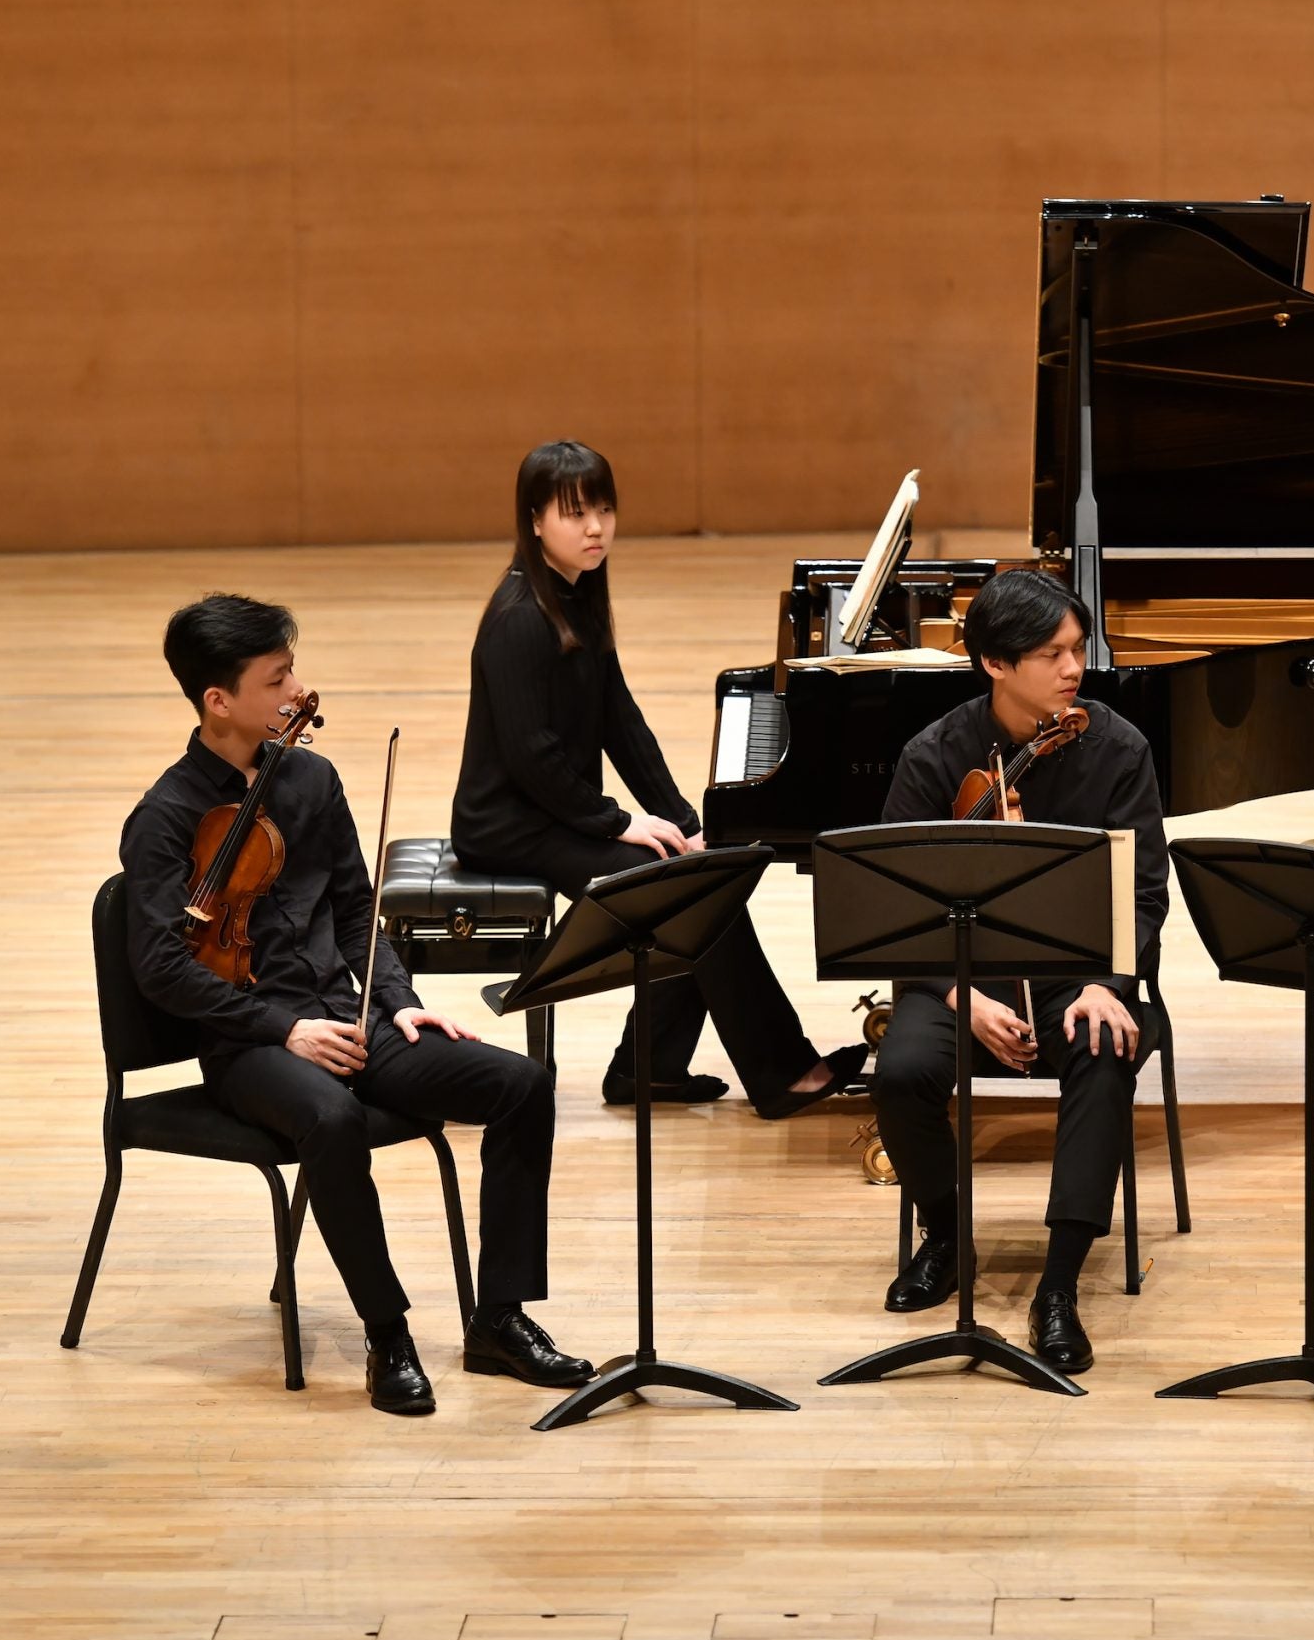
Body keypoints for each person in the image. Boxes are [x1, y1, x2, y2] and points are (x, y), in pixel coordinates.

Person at [121, 595, 590, 1417]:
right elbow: (162, 966)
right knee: (331, 1118)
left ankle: (500, 1317)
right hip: (252, 1042)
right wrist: (284, 1028)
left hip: (354, 1017)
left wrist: (399, 1001)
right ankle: (388, 1333)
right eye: (277, 678)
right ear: (218, 701)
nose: (297, 690)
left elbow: (353, 911)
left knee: (523, 1084)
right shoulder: (164, 818)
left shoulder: (309, 778)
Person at [451, 440, 863, 1118]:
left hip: (553, 813)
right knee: (688, 894)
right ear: (533, 520)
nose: (595, 528)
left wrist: (685, 818)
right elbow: (534, 760)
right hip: (509, 826)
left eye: (605, 510)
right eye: (575, 513)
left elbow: (623, 724)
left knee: (702, 871)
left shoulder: (576, 596)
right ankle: (780, 1070)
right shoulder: (519, 619)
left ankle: (650, 1068)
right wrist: (618, 822)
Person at [867, 568, 1169, 1374]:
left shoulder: (1117, 749)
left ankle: (1059, 1286)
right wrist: (963, 999)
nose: (1075, 668)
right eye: (1051, 654)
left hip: (1085, 974)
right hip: (960, 979)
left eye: (1077, 649)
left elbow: (1143, 894)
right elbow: (897, 908)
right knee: (899, 1070)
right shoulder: (935, 758)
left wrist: (1109, 982)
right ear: (995, 665)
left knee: (1105, 1051)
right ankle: (947, 1233)